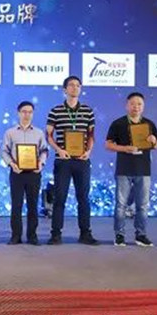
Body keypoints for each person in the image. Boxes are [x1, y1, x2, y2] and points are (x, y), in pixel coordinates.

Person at [46, 75, 99, 245]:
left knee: (83, 198)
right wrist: (59, 150)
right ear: (64, 89)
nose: (75, 88)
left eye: (78, 85)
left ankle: (85, 233)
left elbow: (91, 135)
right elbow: (48, 135)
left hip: (82, 160)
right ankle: (56, 234)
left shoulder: (88, 111)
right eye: (71, 85)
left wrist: (88, 151)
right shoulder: (55, 111)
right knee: (60, 198)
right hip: (63, 160)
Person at [105, 92, 157, 247]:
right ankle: (119, 235)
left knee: (142, 205)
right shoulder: (118, 123)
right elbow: (108, 144)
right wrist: (125, 148)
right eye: (132, 104)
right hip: (124, 169)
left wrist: (154, 141)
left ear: (143, 106)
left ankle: (141, 235)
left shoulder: (149, 124)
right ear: (127, 105)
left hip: (143, 170)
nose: (136, 107)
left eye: (139, 104)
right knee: (121, 205)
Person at [3, 101, 48, 245]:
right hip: (17, 173)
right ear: (18, 113)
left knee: (33, 205)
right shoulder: (10, 132)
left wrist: (40, 163)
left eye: (30, 112)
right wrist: (12, 164)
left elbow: (44, 150)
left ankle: (32, 236)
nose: (27, 114)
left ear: (33, 114)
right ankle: (15, 236)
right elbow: (5, 151)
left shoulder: (39, 133)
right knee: (16, 205)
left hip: (34, 173)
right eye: (24, 111)